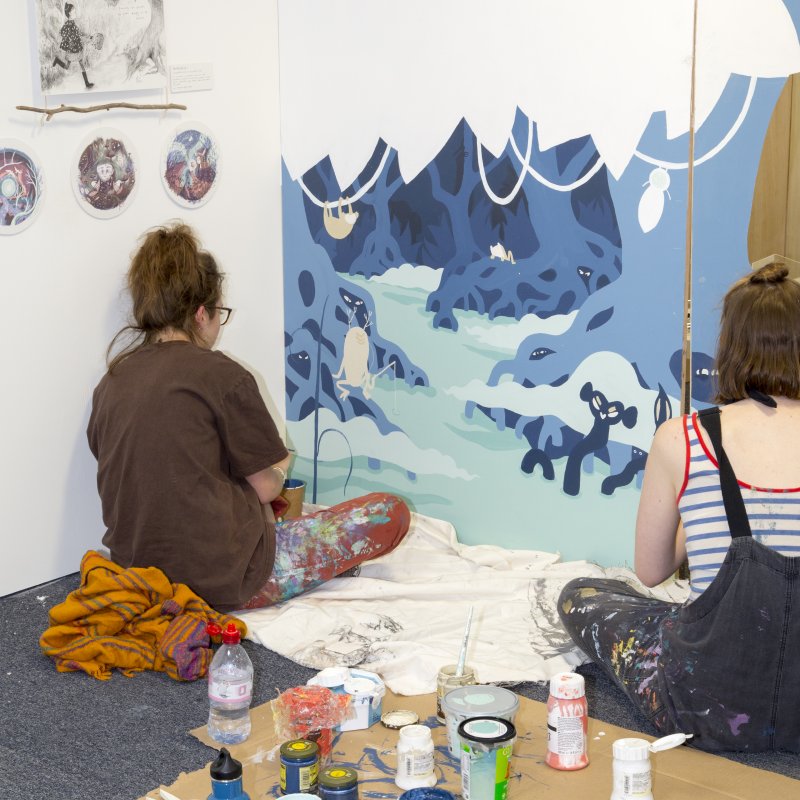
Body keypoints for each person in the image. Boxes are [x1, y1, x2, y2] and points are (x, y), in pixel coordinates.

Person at [87, 222, 411, 613]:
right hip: (222, 579)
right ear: (202, 314)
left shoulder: (111, 382)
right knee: (390, 511)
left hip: (137, 576)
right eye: (220, 314)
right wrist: (278, 467)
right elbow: (266, 490)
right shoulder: (222, 375)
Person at [557, 263, 800, 753]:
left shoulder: (685, 438)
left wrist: (703, 506)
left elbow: (651, 572)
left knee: (582, 591)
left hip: (704, 707)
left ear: (730, 346)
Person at [52, 3, 95, 89]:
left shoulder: (72, 24)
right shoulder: (69, 24)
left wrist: (88, 37)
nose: (75, 12)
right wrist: (69, 41)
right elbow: (63, 33)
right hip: (72, 50)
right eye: (74, 10)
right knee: (71, 66)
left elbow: (78, 34)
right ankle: (86, 83)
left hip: (75, 49)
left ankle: (86, 83)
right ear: (70, 13)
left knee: (77, 64)